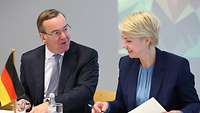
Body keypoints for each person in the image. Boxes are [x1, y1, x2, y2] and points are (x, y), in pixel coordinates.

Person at [92, 11, 200, 113]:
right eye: (123, 39)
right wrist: (108, 106)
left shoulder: (177, 65)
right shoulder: (125, 63)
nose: (123, 45)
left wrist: (180, 112)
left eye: (129, 41)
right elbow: (121, 103)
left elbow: (194, 104)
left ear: (147, 40)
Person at [17, 9, 99, 113]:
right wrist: (24, 101)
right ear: (43, 37)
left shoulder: (86, 55)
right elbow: (25, 92)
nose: (64, 36)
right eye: (56, 33)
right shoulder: (29, 59)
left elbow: (84, 92)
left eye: (65, 29)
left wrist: (50, 105)